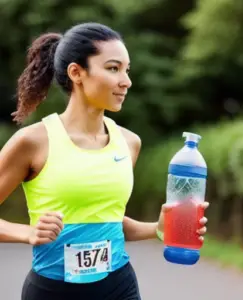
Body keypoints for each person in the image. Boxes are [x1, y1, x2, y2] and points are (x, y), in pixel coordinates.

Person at [0, 22, 209, 300]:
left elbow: (106, 220)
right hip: (53, 290)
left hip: (118, 286)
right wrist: (27, 232)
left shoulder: (129, 142)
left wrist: (159, 228)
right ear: (77, 72)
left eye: (127, 70)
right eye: (113, 68)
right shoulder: (33, 142)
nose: (126, 81)